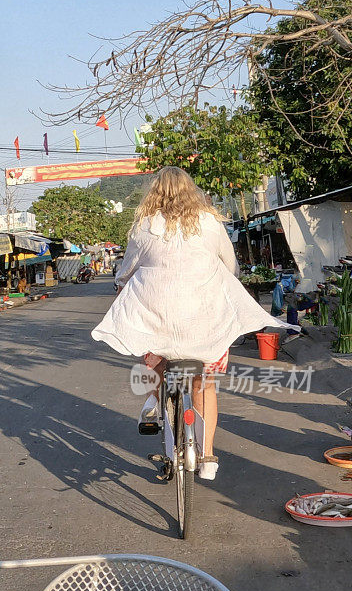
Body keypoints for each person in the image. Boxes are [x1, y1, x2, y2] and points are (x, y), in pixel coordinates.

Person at [91, 166, 296, 481]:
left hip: (159, 323)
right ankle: (209, 455)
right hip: (205, 326)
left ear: (154, 194)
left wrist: (125, 285)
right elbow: (231, 268)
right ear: (193, 192)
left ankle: (152, 402)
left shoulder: (144, 227)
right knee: (205, 385)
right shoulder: (210, 223)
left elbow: (124, 274)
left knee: (153, 349)